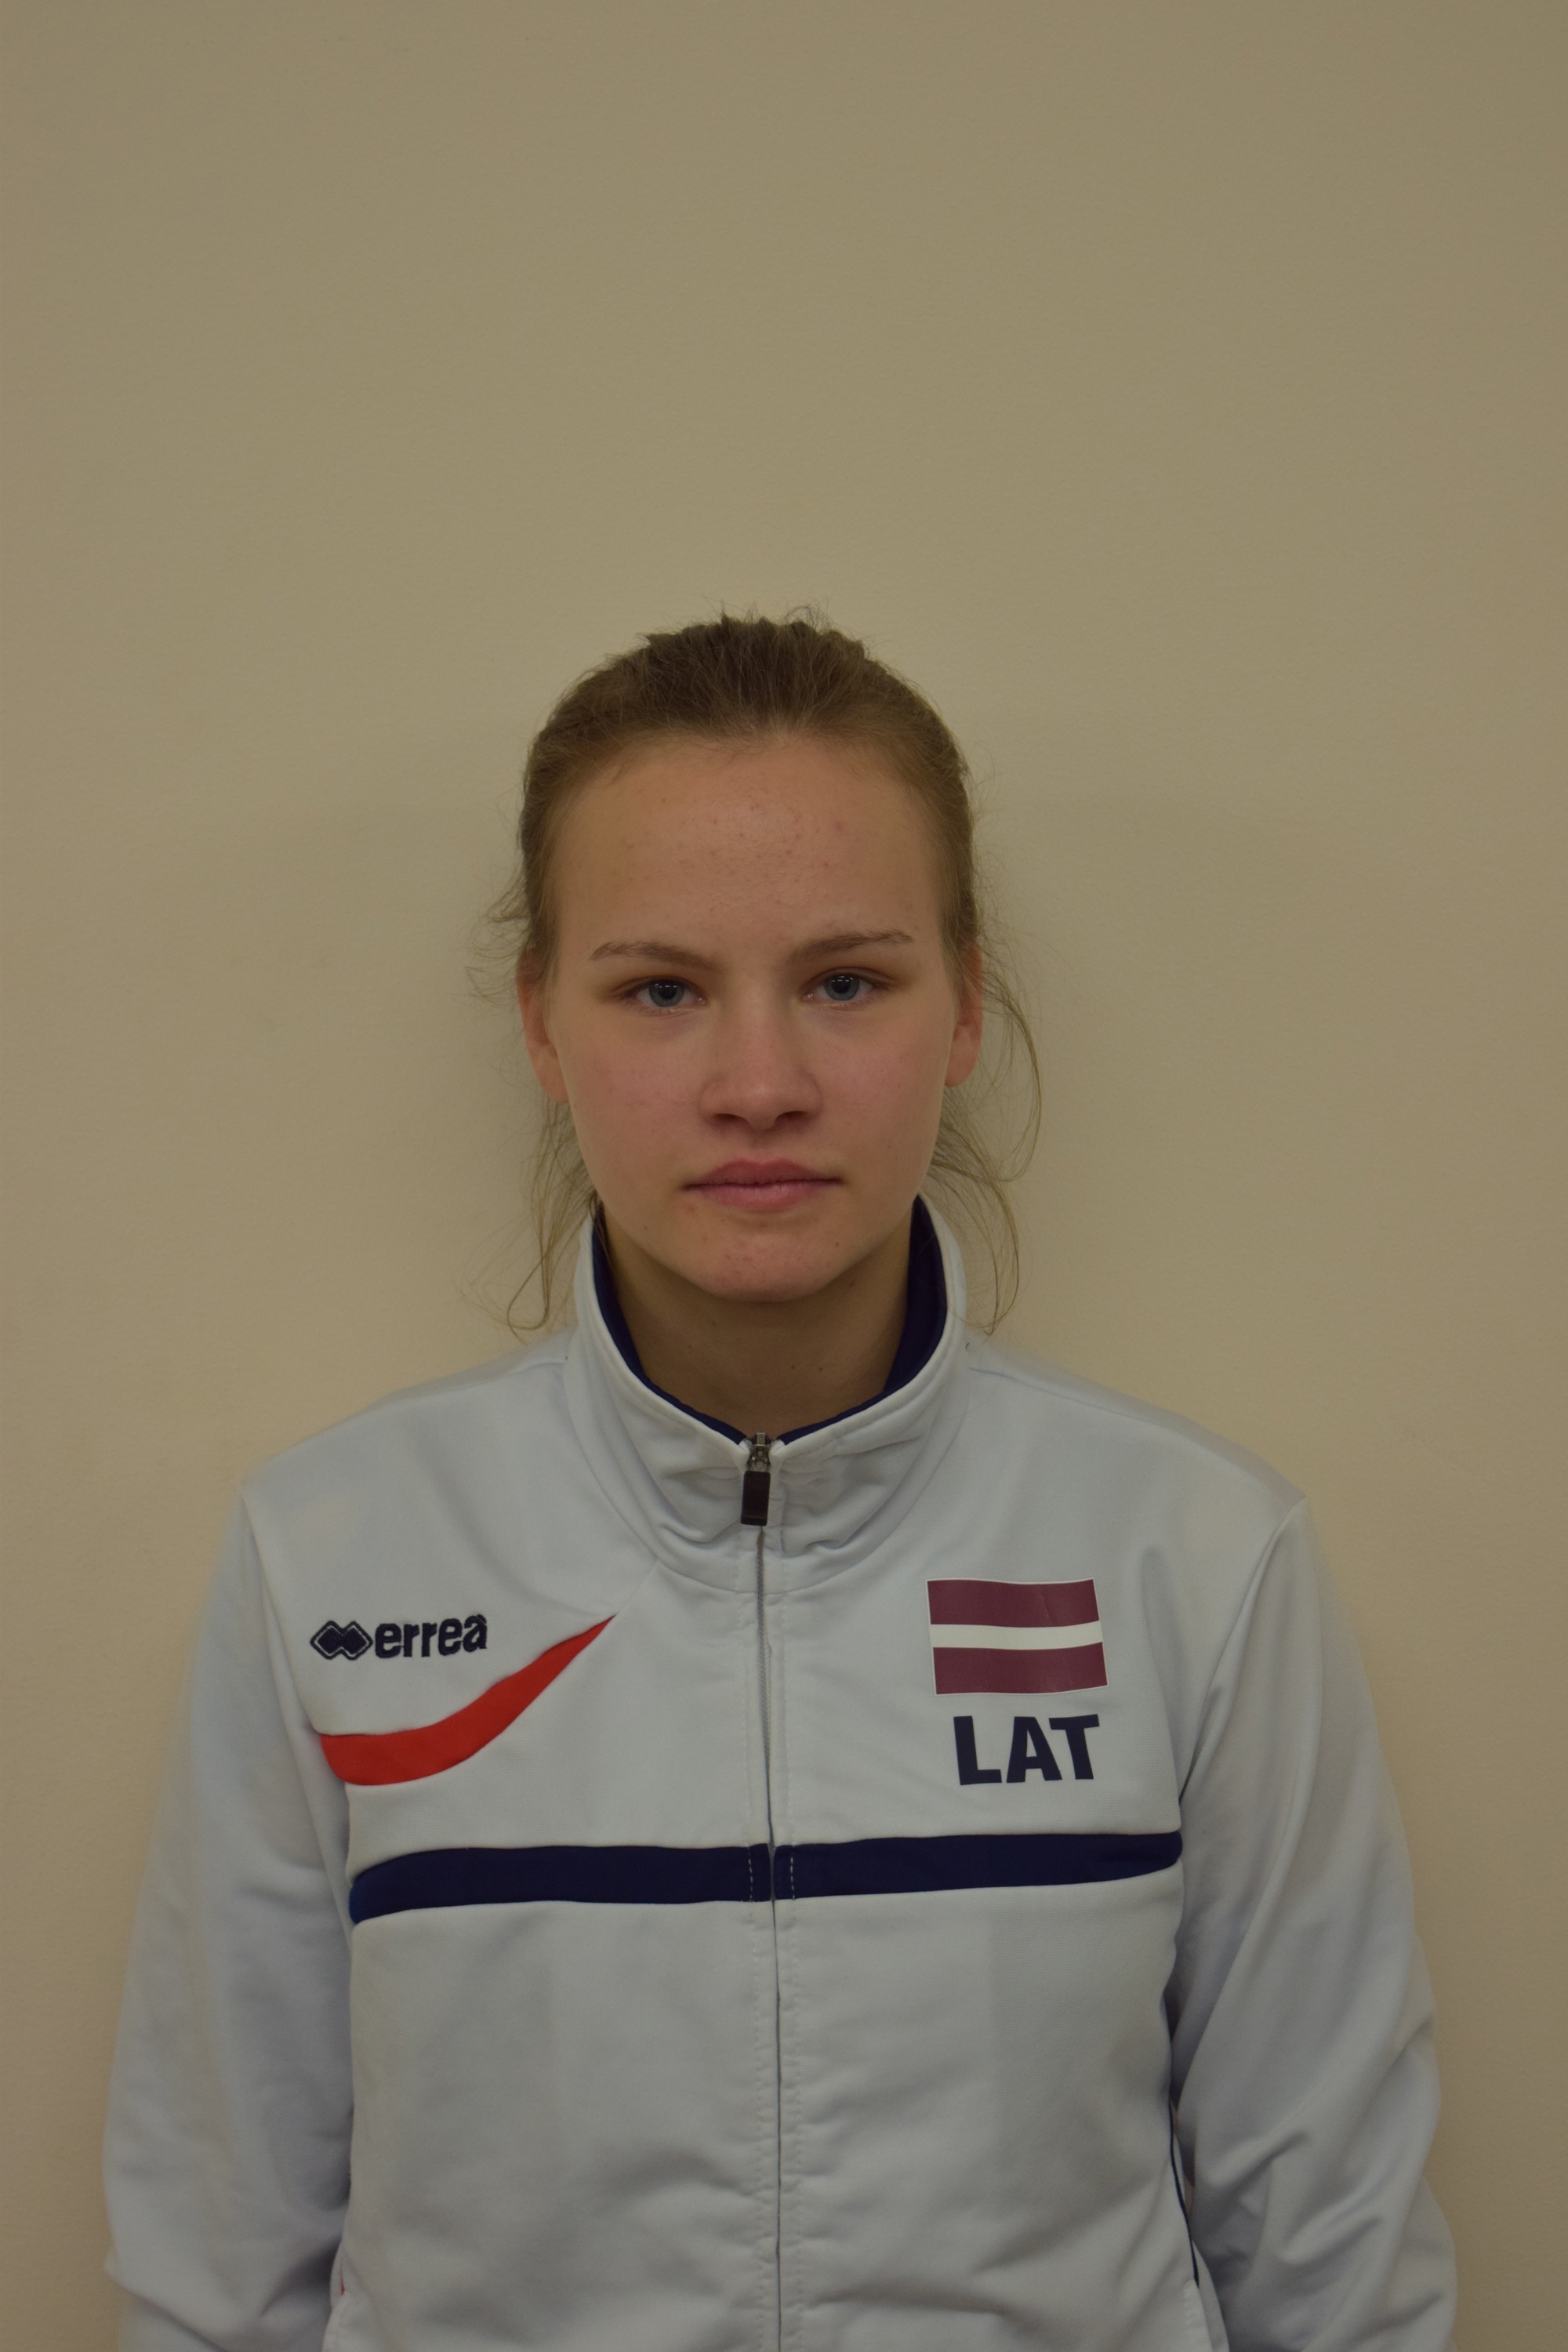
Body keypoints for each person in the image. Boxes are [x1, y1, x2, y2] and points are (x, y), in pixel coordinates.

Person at [104, 614, 1457, 2351]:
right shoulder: (330, 1559)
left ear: (964, 1007)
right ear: (543, 1025)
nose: (761, 1086)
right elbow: (217, 2266)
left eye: (846, 982)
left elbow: (1335, 2258)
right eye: (661, 991)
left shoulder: (1197, 1557)